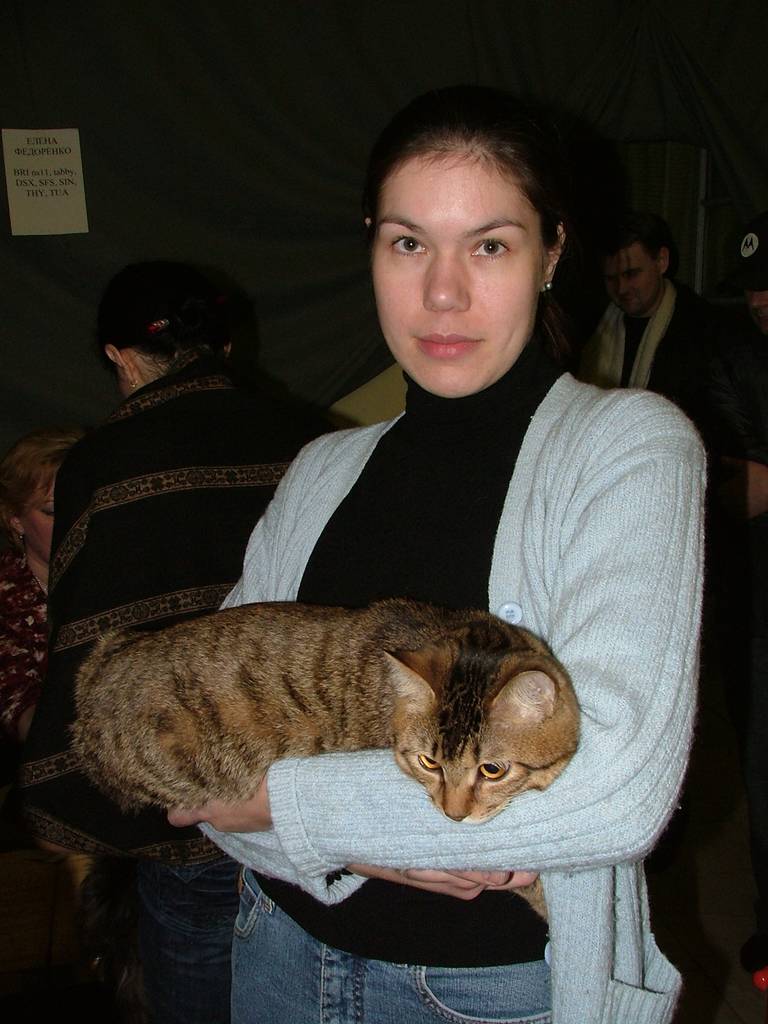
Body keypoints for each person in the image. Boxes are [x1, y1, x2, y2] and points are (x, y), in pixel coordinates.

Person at [168, 88, 705, 1024]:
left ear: (552, 254)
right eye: (408, 243)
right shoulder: (321, 469)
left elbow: (618, 789)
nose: (442, 293)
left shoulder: (629, 447)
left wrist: (287, 807)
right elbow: (204, 767)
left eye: (489, 246)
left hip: (486, 992)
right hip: (274, 944)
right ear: (371, 249)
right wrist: (319, 828)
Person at [18, 261, 326, 1024]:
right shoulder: (313, 439)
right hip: (311, 799)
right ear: (226, 346)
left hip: (192, 807)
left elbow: (89, 638)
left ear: (120, 358)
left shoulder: (103, 460)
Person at [704, 210, 768, 974]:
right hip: (758, 611)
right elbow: (732, 484)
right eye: (751, 288)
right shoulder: (733, 358)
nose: (759, 300)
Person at [578, 210, 718, 432]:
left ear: (662, 261)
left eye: (631, 274)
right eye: (611, 278)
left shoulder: (702, 331)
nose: (621, 288)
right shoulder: (590, 328)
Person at [0, 426, 83, 753]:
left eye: (80, 504)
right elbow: (18, 703)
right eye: (51, 511)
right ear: (15, 519)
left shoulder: (113, 572)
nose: (71, 520)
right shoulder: (7, 596)